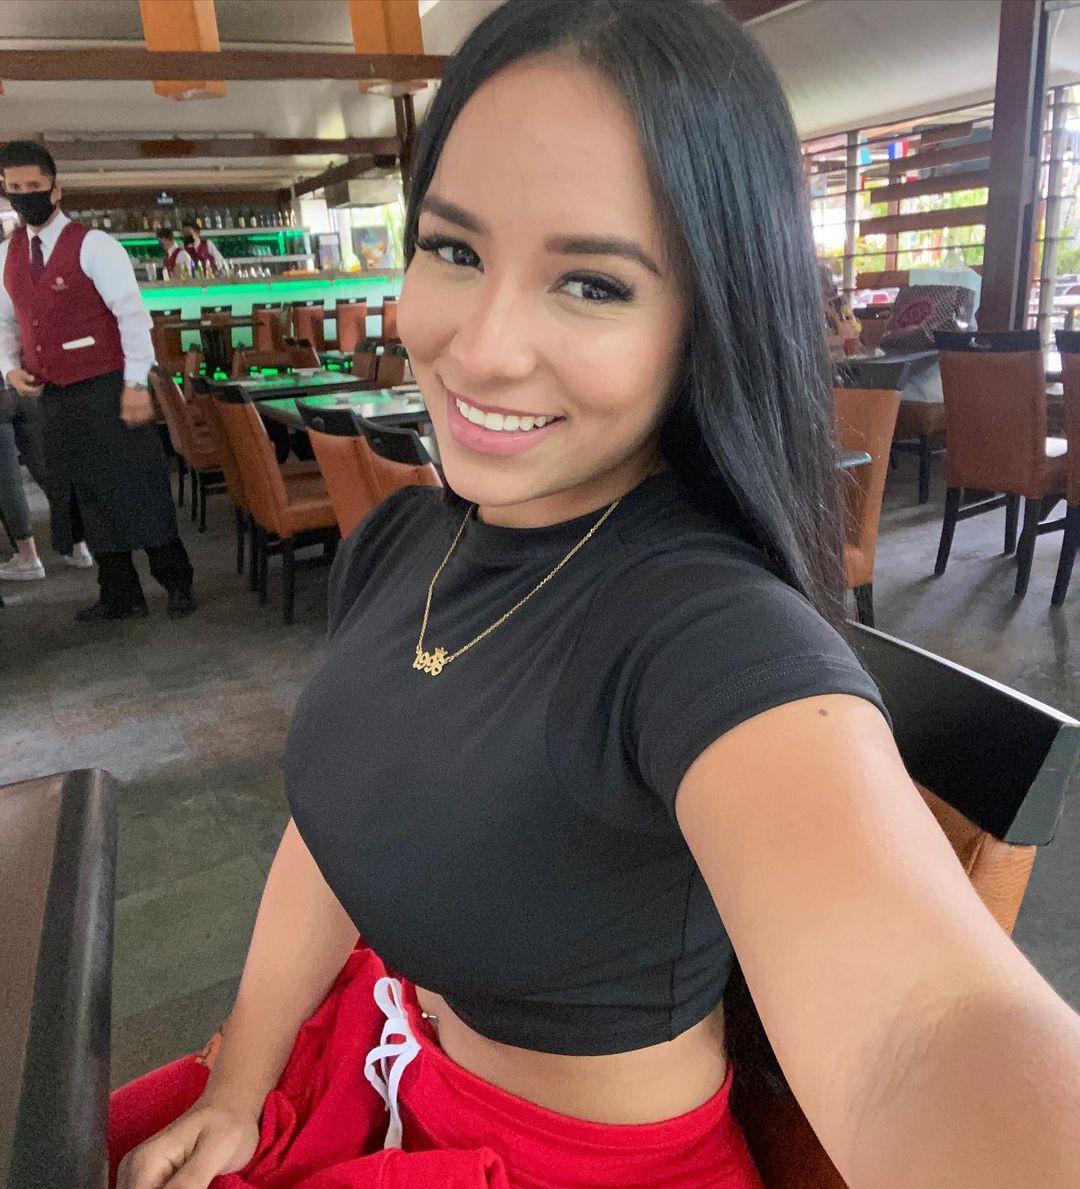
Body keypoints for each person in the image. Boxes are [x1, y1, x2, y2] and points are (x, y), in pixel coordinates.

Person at [113, 3, 1080, 1187]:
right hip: (386, 1065)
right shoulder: (404, 542)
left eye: (591, 282)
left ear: (710, 316)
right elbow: (336, 821)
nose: (482, 348)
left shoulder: (708, 633)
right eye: (454, 249)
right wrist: (239, 1080)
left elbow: (920, 1029)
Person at [0, 140, 195, 620]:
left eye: (35, 185)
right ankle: (120, 594)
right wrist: (8, 366)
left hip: (109, 386)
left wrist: (136, 384)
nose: (26, 195)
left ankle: (176, 583)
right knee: (86, 496)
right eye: (15, 187)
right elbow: (6, 321)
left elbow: (132, 318)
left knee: (138, 486)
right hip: (53, 396)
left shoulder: (95, 245)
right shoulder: (7, 254)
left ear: (55, 189)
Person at [0, 381, 93, 579]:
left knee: (7, 481)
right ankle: (78, 545)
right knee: (49, 471)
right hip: (26, 387)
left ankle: (28, 557)